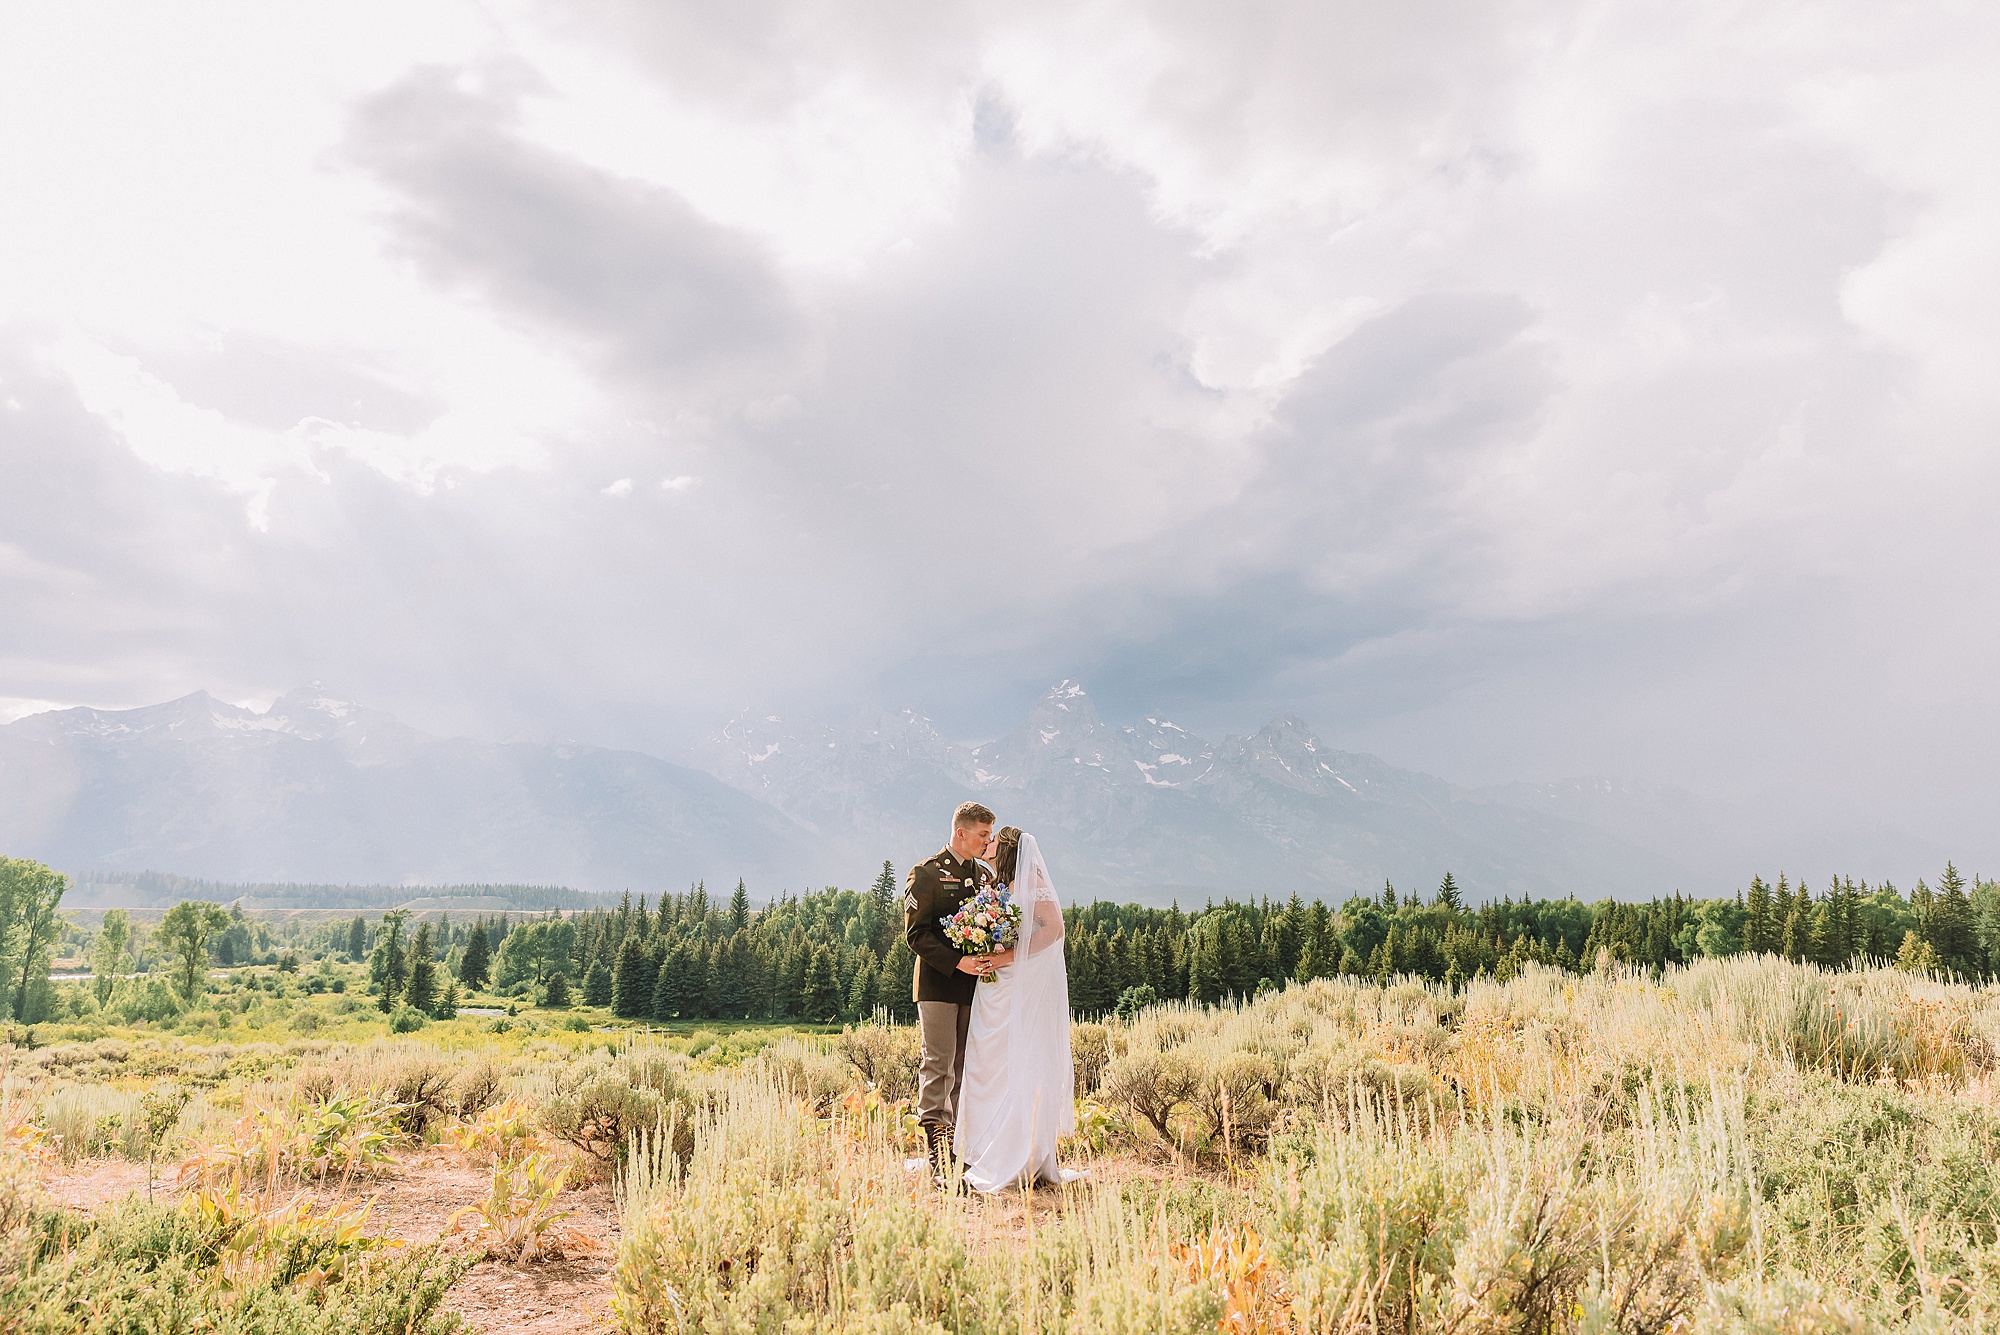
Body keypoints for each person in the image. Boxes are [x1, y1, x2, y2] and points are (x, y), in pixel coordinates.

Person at [954, 826, 1078, 1192]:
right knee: (986, 1061)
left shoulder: (1028, 878)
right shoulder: (999, 883)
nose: (987, 843)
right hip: (996, 986)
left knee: (1017, 1062)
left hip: (1018, 985)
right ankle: (981, 1146)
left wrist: (1006, 955)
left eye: (992, 840)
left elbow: (1053, 928)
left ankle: (1016, 1153)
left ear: (1006, 847)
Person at [904, 800, 1001, 1181]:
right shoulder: (926, 874)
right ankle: (936, 1152)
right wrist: (956, 961)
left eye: (990, 835)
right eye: (982, 835)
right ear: (961, 832)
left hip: (974, 986)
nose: (986, 842)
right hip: (938, 984)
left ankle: (959, 1146)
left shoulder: (983, 877)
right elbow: (916, 935)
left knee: (964, 1066)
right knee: (939, 1064)